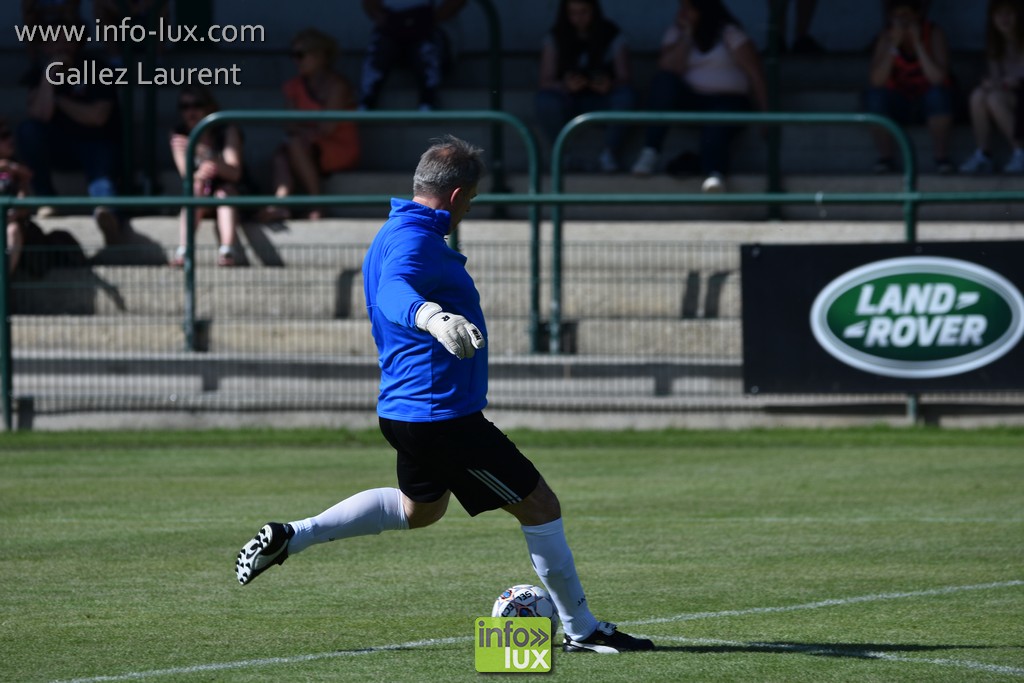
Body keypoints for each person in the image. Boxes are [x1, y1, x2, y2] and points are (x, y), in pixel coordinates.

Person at [235, 135, 656, 655]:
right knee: (540, 506)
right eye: (471, 200)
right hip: (441, 417)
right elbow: (394, 291)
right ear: (456, 196)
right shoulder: (413, 240)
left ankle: (292, 535)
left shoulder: (393, 231)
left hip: (407, 410)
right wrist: (433, 317)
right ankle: (582, 630)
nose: (469, 209)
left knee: (420, 511)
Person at [630, 0, 768, 193]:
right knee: (664, 82)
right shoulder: (677, 33)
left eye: (689, 8)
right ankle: (650, 151)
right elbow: (668, 67)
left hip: (728, 101)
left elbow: (756, 75)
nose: (683, 13)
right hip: (693, 99)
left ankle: (715, 173)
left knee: (718, 119)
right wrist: (687, 36)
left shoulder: (730, 33)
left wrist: (766, 115)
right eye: (681, 7)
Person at [17, 18, 124, 244]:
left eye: (67, 39)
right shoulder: (39, 73)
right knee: (28, 131)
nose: (61, 46)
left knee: (100, 172)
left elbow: (97, 117)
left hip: (96, 144)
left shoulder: (97, 67)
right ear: (44, 46)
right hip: (58, 149)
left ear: (77, 42)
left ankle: (107, 215)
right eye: (53, 40)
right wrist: (49, 77)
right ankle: (46, 200)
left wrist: (58, 101)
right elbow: (40, 114)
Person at [264, 28, 361, 222]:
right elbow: (290, 124)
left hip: (338, 147)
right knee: (281, 155)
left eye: (301, 55)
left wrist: (304, 129)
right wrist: (307, 129)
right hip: (308, 145)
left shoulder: (337, 86)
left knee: (294, 143)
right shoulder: (293, 86)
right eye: (293, 55)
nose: (296, 60)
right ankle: (280, 203)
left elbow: (328, 128)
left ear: (320, 56)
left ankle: (317, 204)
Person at [534, 0, 636, 173]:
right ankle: (562, 156)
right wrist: (566, 86)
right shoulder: (556, 35)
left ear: (594, 11)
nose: (579, 18)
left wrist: (608, 84)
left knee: (626, 96)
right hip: (568, 101)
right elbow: (545, 81)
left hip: (602, 99)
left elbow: (625, 78)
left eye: (584, 12)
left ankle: (608, 155)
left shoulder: (610, 34)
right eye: (573, 13)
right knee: (545, 100)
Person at [864, 0, 953, 173]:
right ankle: (885, 159)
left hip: (928, 101)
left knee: (939, 95)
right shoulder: (886, 36)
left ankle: (941, 158)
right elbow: (876, 81)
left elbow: (938, 78)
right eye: (897, 16)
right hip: (900, 101)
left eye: (907, 16)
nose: (902, 22)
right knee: (875, 97)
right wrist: (893, 46)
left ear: (917, 16)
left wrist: (918, 44)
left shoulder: (933, 33)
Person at [168, 86, 244, 268]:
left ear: (209, 106)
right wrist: (199, 174)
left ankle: (227, 251)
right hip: (201, 193)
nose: (191, 111)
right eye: (185, 106)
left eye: (197, 105)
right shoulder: (179, 134)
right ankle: (184, 250)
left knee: (223, 193)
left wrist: (207, 154)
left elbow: (234, 173)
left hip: (231, 192)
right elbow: (186, 176)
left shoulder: (225, 129)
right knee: (196, 188)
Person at [359, 0, 467, 111]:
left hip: (433, 35)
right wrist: (395, 21)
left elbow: (456, 3)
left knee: (426, 46)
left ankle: (428, 103)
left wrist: (425, 20)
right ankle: (365, 104)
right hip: (393, 38)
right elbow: (370, 4)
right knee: (381, 45)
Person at [959, 0, 1024, 174]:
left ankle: (1020, 151)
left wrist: (1010, 82)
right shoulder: (996, 44)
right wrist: (991, 82)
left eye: (1009, 13)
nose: (1004, 19)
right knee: (978, 95)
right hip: (1009, 93)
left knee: (995, 98)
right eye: (999, 14)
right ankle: (983, 154)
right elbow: (997, 77)